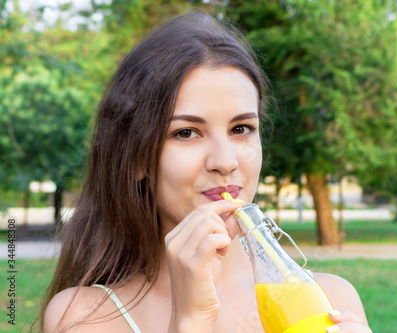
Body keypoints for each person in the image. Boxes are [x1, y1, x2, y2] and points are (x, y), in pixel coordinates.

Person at [41, 12, 372, 333]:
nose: (224, 161)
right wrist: (188, 322)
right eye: (186, 132)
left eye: (241, 128)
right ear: (137, 158)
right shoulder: (84, 317)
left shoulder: (333, 301)